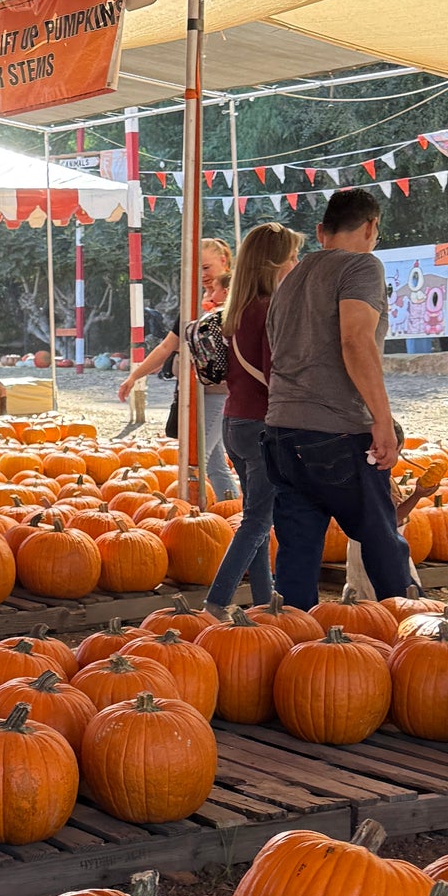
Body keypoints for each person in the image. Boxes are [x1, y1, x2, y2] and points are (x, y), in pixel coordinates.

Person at [263, 187, 412, 609]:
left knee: (298, 553)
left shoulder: (291, 278)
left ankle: (292, 644)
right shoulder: (362, 266)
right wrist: (382, 420)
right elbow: (356, 341)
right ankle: (409, 634)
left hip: (281, 432)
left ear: (320, 231)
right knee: (382, 539)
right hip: (336, 433)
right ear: (370, 226)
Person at [203, 224, 302, 616]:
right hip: (263, 425)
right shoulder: (269, 309)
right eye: (292, 257)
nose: (296, 263)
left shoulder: (237, 309)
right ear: (274, 263)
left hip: (235, 422)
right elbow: (276, 375)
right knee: (258, 522)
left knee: (255, 517)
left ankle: (265, 600)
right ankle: (217, 600)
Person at [116, 239, 233, 498]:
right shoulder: (193, 303)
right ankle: (231, 510)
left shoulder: (234, 299)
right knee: (212, 462)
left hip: (219, 391)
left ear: (223, 261)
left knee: (196, 458)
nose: (202, 276)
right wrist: (135, 375)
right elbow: (166, 347)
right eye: (196, 269)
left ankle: (195, 512)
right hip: (193, 390)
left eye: (206, 267)